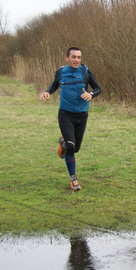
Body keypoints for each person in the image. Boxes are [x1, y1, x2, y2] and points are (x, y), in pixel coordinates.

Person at [39, 47, 101, 191]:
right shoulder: (61, 72)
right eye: (73, 57)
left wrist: (91, 94)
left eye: (79, 57)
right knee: (71, 147)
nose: (76, 60)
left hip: (82, 116)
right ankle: (73, 179)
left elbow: (98, 88)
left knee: (75, 148)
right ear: (67, 58)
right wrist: (47, 92)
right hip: (65, 115)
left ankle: (63, 143)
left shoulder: (85, 71)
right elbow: (54, 85)